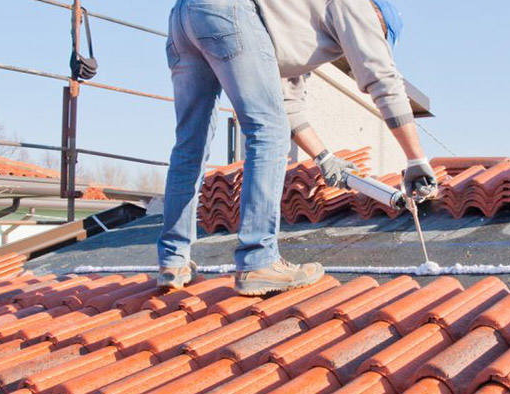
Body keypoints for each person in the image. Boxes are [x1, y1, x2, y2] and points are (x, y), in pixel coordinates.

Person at [158, 0, 436, 296]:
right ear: (379, 21)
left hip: (185, 16)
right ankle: (258, 260)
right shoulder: (360, 8)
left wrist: (324, 157)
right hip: (228, 11)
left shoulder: (296, 24)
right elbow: (384, 80)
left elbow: (288, 106)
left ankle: (172, 260)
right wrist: (416, 159)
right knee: (267, 131)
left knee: (191, 142)